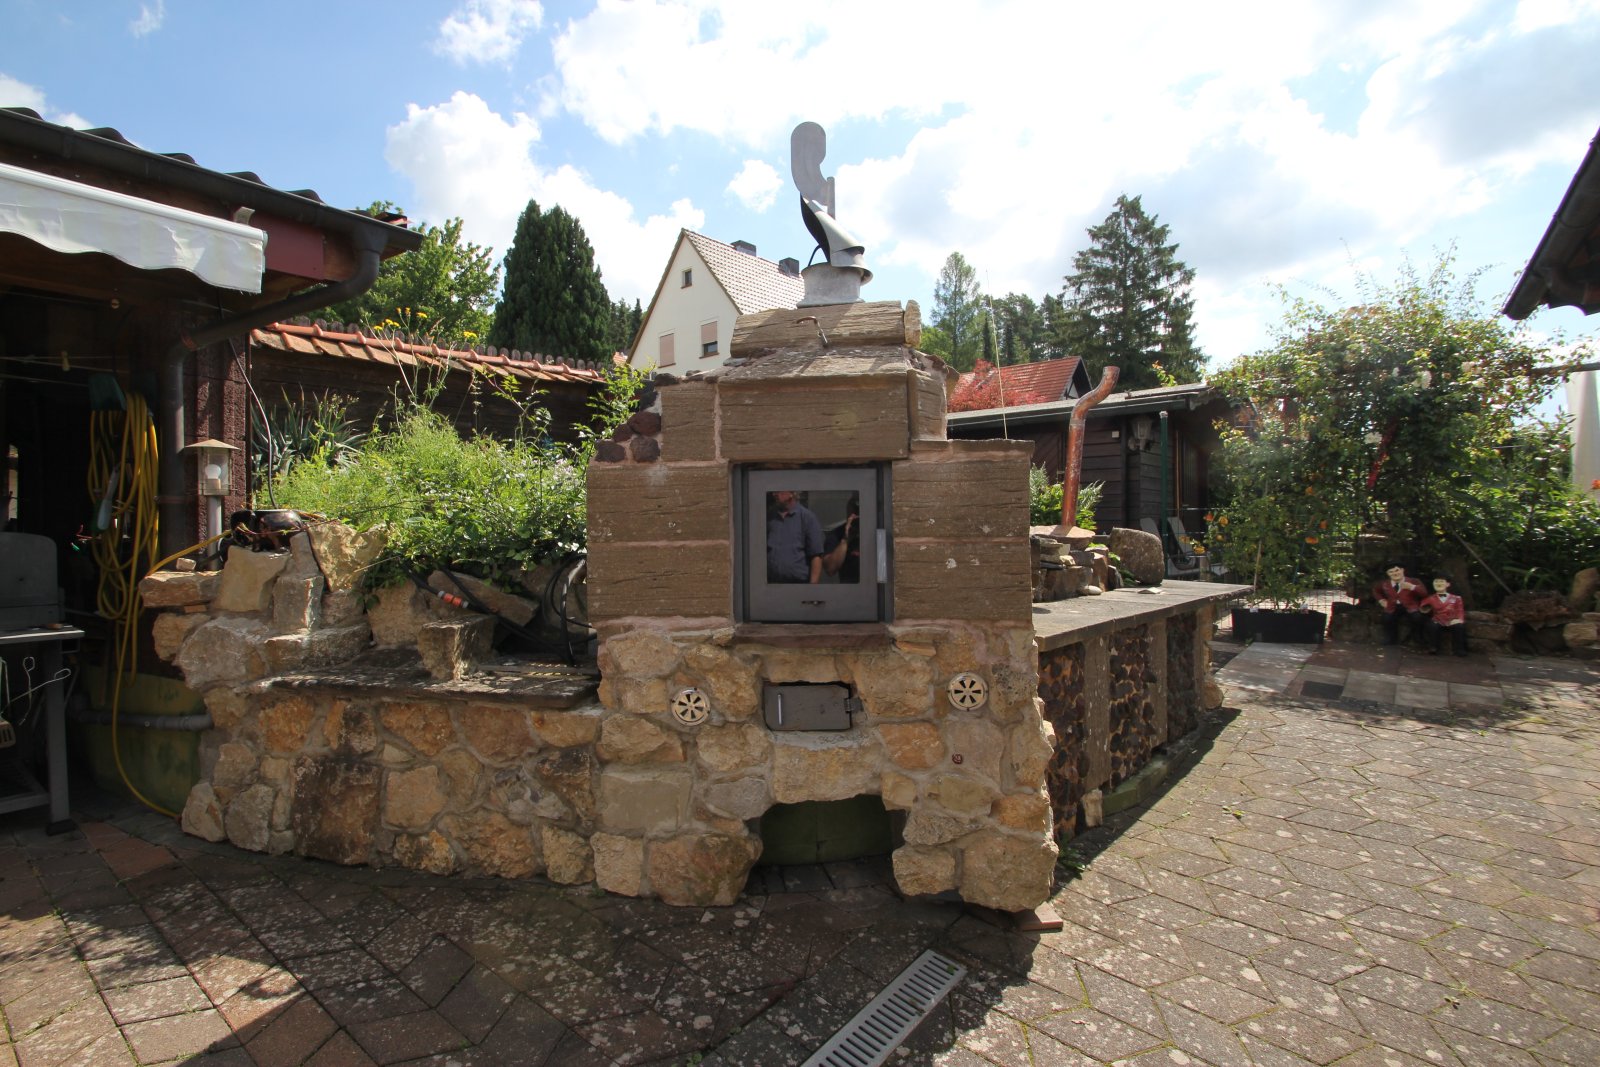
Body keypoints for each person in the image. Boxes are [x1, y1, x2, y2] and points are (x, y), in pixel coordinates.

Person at [766, 490, 823, 583]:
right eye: (773, 491)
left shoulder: (807, 517)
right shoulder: (769, 517)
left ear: (792, 493)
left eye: (778, 490)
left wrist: (812, 588)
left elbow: (816, 555)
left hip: (798, 584)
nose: (774, 494)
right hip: (772, 584)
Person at [1372, 563, 1426, 646]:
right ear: (1387, 574)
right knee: (1387, 618)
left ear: (1402, 570)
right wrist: (1381, 600)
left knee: (1417, 618)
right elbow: (1376, 591)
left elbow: (1424, 593)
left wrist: (1412, 587)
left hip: (1410, 606)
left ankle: (1418, 637)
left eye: (1397, 570)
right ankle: (1391, 639)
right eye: (1391, 572)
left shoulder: (1413, 581)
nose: (1395, 573)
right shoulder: (1384, 584)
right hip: (1392, 606)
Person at [1420, 576, 1468, 656]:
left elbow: (1460, 610)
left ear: (1448, 584)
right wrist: (1425, 608)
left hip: (1452, 620)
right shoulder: (1430, 598)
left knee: (1459, 627)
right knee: (1432, 626)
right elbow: (1423, 607)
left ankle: (1459, 649)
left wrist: (1460, 619)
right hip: (1438, 619)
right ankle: (1433, 647)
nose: (1438, 583)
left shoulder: (1457, 598)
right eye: (1436, 581)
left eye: (1441, 581)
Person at [822, 500, 861, 583]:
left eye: (858, 511)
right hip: (850, 587)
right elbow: (830, 569)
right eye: (853, 511)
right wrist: (846, 539)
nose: (856, 515)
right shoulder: (837, 534)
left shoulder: (874, 531)